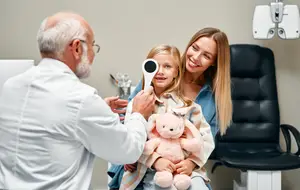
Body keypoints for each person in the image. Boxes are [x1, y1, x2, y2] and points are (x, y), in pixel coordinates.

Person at [0, 12, 156, 190]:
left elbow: (47, 124)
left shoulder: (11, 86)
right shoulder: (82, 99)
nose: (93, 54)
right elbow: (127, 151)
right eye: (92, 46)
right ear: (76, 48)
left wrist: (99, 110)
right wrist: (138, 114)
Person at [109, 27, 233, 189]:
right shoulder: (159, 78)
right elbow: (133, 121)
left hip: (185, 169)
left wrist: (191, 163)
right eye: (195, 48)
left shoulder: (211, 97)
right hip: (143, 161)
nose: (196, 57)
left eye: (206, 55)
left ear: (214, 62)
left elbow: (205, 140)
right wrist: (147, 158)